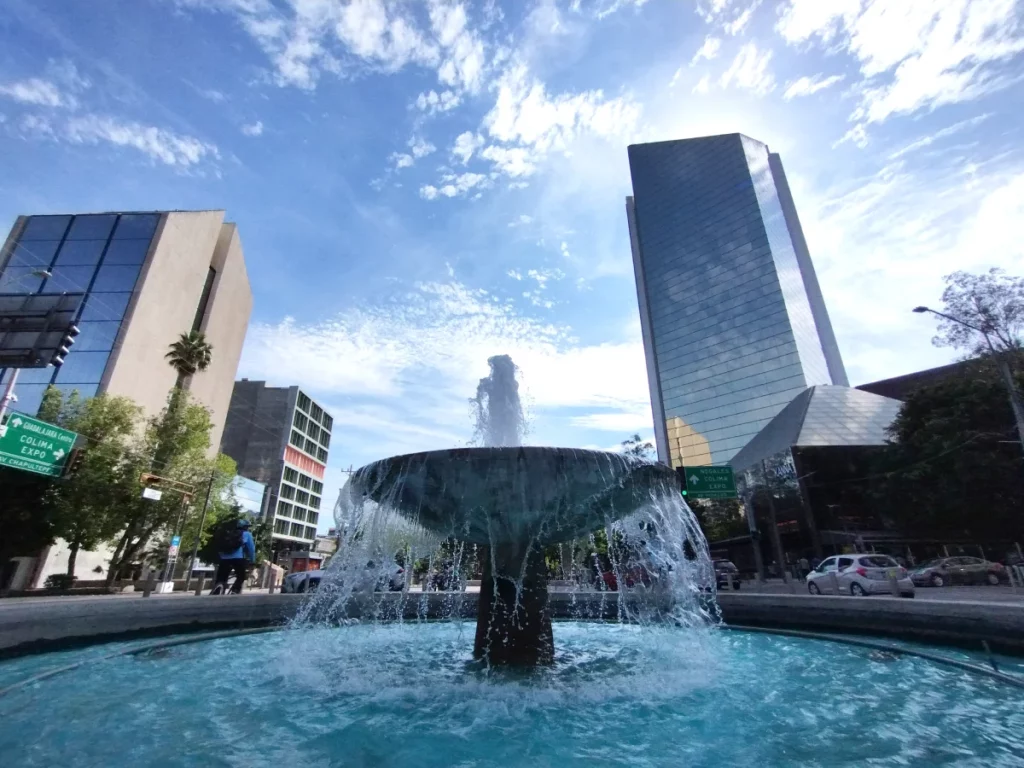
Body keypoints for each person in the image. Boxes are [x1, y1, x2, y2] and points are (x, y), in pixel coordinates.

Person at [212, 519, 255, 595]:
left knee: (221, 577)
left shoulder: (229, 533)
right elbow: (251, 549)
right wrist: (252, 561)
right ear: (245, 527)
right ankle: (235, 590)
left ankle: (218, 588)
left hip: (224, 558)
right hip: (238, 559)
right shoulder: (247, 534)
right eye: (247, 527)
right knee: (241, 576)